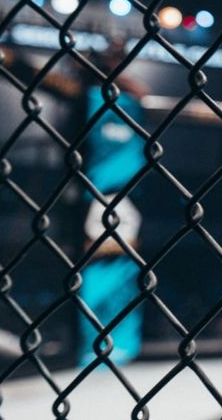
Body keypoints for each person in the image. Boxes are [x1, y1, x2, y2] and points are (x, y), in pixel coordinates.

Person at [78, 42, 149, 367]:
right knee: (98, 270)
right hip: (101, 195)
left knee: (125, 272)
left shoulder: (130, 101)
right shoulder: (90, 99)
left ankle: (120, 343)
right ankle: (96, 345)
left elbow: (142, 92)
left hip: (126, 196)